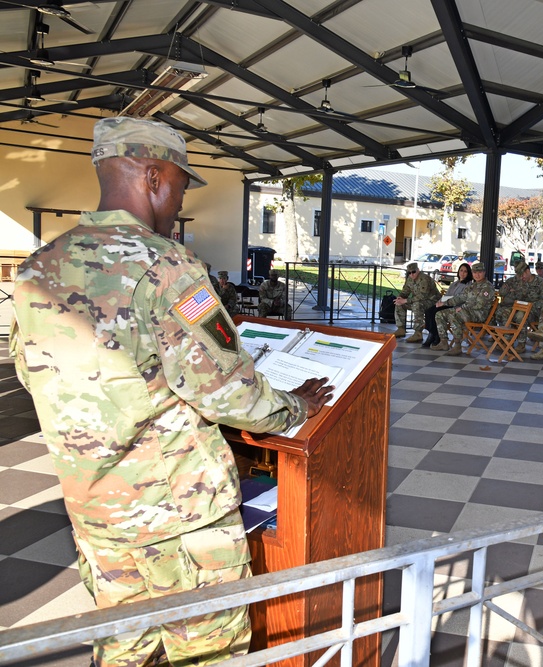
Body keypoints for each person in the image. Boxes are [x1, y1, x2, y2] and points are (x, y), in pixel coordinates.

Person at [9, 117, 333, 667]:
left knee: (123, 648)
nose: (179, 200)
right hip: (180, 513)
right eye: (181, 186)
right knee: (206, 652)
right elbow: (231, 395)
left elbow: (29, 373)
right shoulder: (166, 266)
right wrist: (297, 405)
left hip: (95, 510)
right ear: (154, 176)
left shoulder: (41, 266)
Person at [434, 262, 496, 355]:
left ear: (484, 272)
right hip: (467, 311)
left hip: (479, 314)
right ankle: (443, 342)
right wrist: (444, 303)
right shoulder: (472, 286)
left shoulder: (487, 287)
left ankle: (457, 345)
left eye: (479, 272)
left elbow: (479, 304)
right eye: (475, 272)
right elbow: (460, 297)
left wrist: (462, 307)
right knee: (440, 314)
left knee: (454, 315)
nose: (477, 275)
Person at [495, 261, 543, 352]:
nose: (521, 277)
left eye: (522, 274)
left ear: (528, 271)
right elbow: (514, 296)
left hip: (535, 311)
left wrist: (528, 306)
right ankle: (507, 340)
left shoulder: (542, 283)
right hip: (519, 308)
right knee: (505, 312)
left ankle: (521, 343)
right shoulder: (520, 282)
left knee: (520, 315)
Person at [423, 262, 472, 348]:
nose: (463, 273)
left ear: (468, 273)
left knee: (436, 312)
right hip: (446, 303)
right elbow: (447, 296)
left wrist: (444, 303)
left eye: (465, 271)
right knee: (429, 311)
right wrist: (439, 302)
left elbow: (459, 298)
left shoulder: (468, 285)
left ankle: (436, 336)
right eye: (461, 270)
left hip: (455, 306)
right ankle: (433, 333)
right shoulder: (454, 284)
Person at [393, 262, 441, 342]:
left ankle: (418, 333)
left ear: (418, 270)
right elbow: (405, 291)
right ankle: (401, 329)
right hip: (418, 300)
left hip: (432, 302)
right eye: (409, 272)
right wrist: (400, 298)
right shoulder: (409, 279)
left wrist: (405, 300)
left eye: (413, 272)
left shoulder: (424, 279)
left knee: (417, 305)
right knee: (399, 304)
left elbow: (422, 296)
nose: (412, 274)